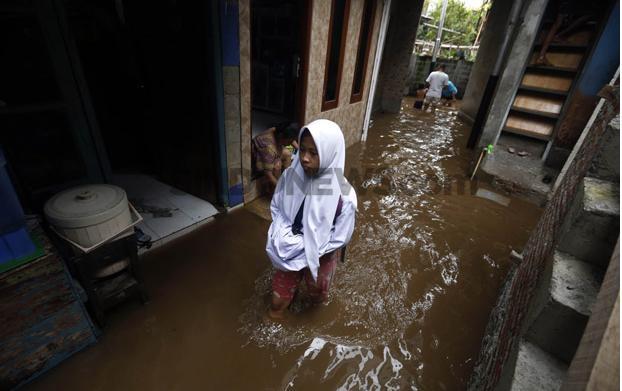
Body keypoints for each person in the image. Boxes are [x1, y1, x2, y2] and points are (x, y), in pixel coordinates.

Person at [265, 119, 357, 320]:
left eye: (314, 153)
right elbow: (277, 207)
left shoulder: (344, 196)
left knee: (316, 299)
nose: (304, 158)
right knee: (277, 303)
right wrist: (282, 237)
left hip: (322, 253)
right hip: (287, 248)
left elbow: (340, 237)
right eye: (303, 149)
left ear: (330, 154)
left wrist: (311, 249)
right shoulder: (290, 176)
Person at [252, 123, 299, 194]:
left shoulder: (277, 130)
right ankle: (275, 193)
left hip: (270, 152)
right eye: (289, 141)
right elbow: (268, 175)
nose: (290, 144)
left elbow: (291, 139)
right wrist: (283, 190)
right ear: (281, 136)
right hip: (258, 160)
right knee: (277, 166)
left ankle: (287, 180)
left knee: (287, 153)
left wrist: (299, 150)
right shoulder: (269, 148)